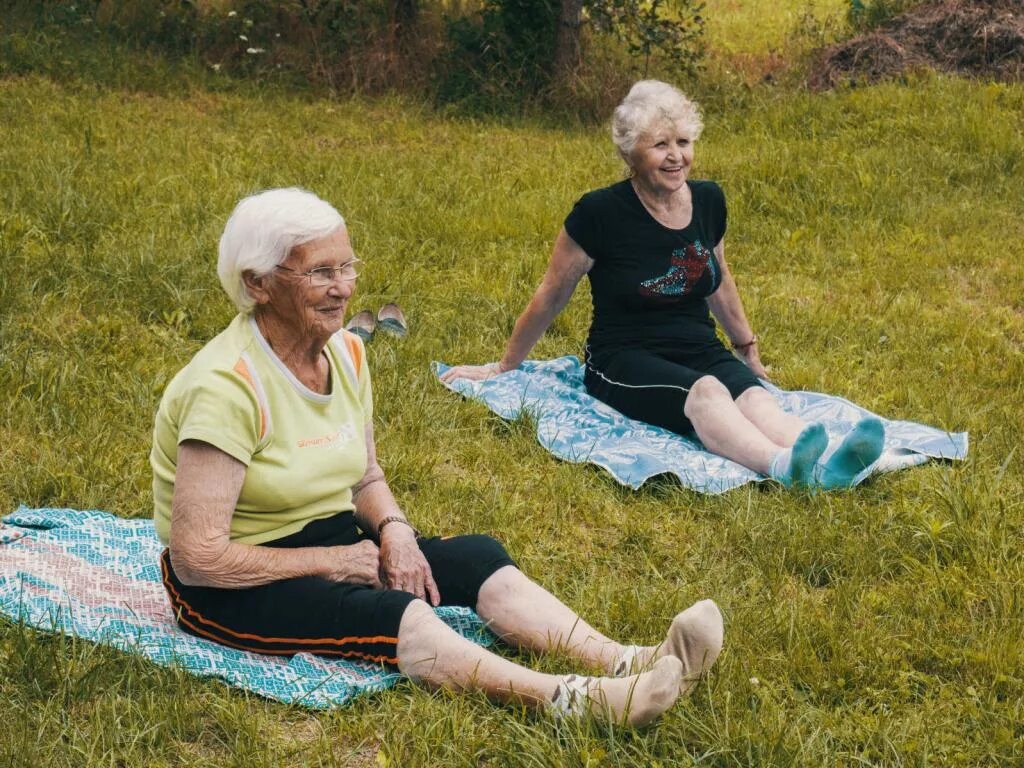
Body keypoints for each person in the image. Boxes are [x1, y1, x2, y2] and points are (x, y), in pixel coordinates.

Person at [150, 187, 724, 727]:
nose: (345, 288)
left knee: (476, 557)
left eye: (347, 267)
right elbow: (200, 558)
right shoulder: (225, 388)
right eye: (321, 272)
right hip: (228, 587)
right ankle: (576, 701)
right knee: (395, 617)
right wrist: (330, 561)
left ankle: (626, 660)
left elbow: (364, 475)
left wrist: (395, 531)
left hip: (331, 540)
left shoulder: (347, 352)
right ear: (258, 284)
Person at [441, 80, 884, 489]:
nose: (676, 156)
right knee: (707, 393)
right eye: (660, 145)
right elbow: (552, 293)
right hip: (622, 357)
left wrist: (746, 351)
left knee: (753, 396)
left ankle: (831, 459)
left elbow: (719, 279)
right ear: (631, 153)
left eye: (684, 143)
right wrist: (505, 366)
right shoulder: (599, 213)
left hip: (697, 345)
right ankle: (784, 467)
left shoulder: (709, 199)